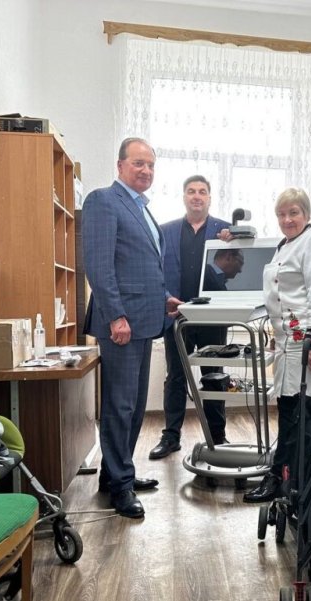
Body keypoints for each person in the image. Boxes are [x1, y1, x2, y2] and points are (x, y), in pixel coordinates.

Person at [82, 137, 181, 518]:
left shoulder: (142, 209)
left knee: (135, 406)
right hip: (121, 323)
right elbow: (99, 266)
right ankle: (120, 487)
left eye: (151, 165)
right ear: (120, 165)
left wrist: (164, 298)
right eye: (139, 163)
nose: (146, 170)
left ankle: (115, 474)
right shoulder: (103, 201)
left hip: (144, 319)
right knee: (120, 406)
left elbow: (142, 267)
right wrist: (115, 316)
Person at [243, 187, 311, 503]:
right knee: (287, 412)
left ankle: (295, 483)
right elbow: (281, 296)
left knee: (303, 414)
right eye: (282, 214)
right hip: (287, 343)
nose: (287, 219)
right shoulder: (285, 246)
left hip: (306, 343)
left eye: (293, 213)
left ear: (306, 214)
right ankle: (281, 476)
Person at [149, 175, 233, 460]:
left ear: (209, 197)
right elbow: (155, 271)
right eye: (191, 191)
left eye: (202, 191)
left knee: (214, 376)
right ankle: (171, 437)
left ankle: (218, 437)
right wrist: (164, 299)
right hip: (178, 316)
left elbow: (244, 256)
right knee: (175, 377)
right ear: (184, 196)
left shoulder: (225, 230)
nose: (197, 196)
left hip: (212, 317)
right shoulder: (165, 231)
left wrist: (234, 239)